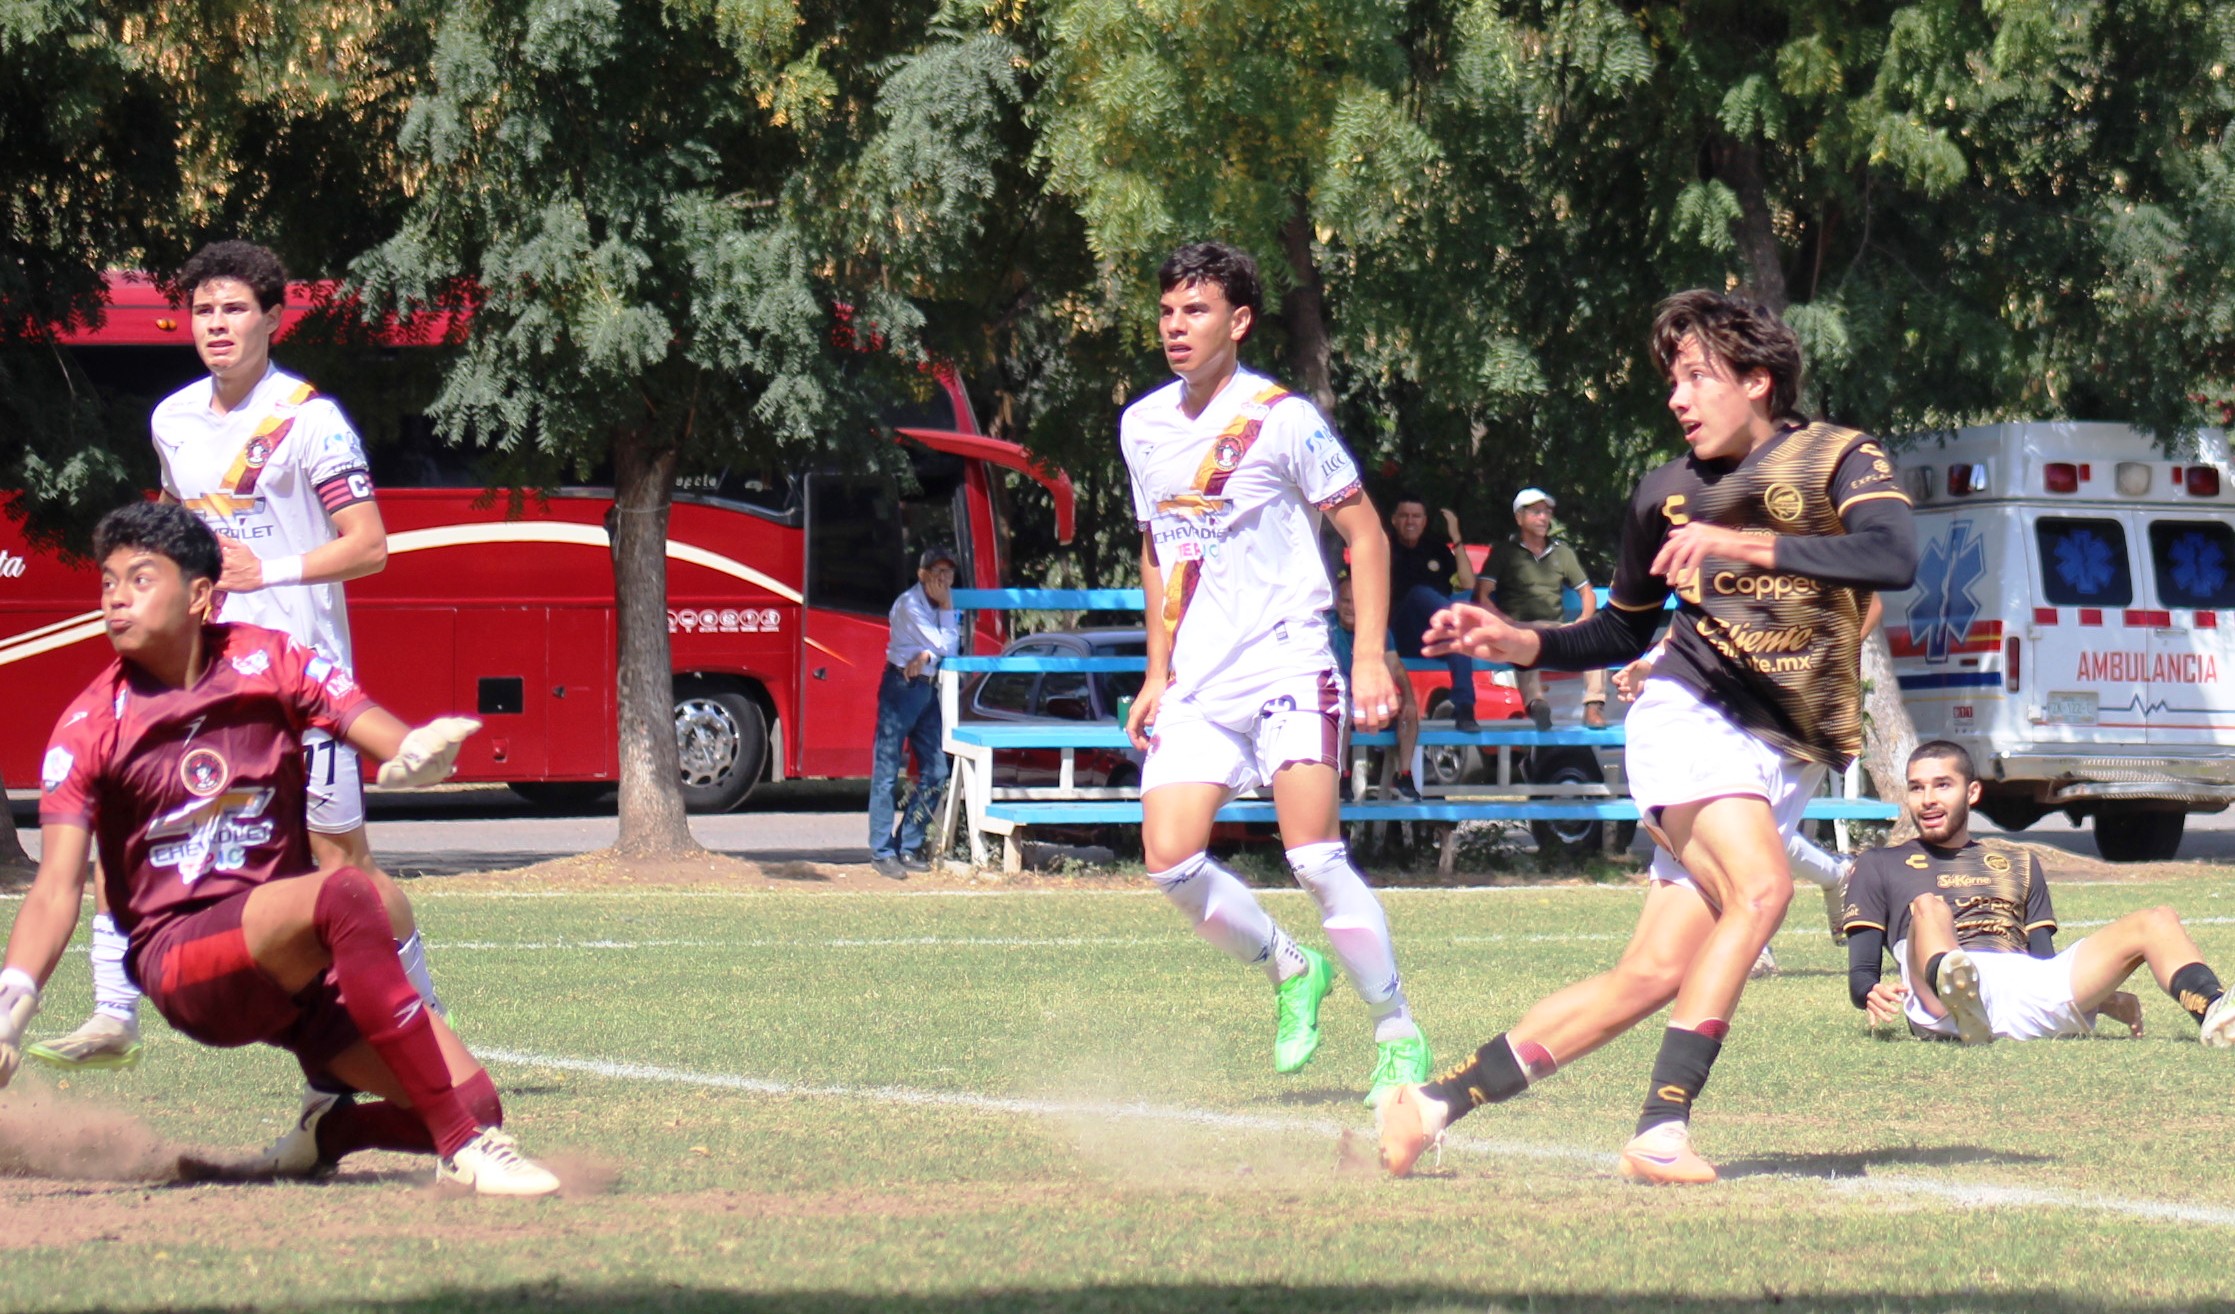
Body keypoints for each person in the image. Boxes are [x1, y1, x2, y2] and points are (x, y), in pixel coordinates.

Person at [1380, 288, 1917, 1184]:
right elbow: (1623, 630)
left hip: (1781, 756)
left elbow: (1891, 556)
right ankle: (1660, 1127)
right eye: (1672, 379)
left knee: (1651, 974)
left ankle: (1434, 1101)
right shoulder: (1664, 493)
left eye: (1697, 377)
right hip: (1689, 716)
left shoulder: (1838, 458)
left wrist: (1749, 546)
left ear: (1757, 379)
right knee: (1762, 891)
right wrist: (1527, 642)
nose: (1677, 397)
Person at [0, 503, 559, 1194]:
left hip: (291, 961)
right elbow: (57, 887)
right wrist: (12, 1007)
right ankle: (463, 1150)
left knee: (478, 1100)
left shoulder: (270, 657)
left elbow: (370, 725)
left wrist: (413, 750)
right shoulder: (90, 724)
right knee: (351, 892)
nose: (116, 596)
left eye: (140, 578)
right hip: (185, 961)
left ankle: (331, 1131)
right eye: (108, 581)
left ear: (201, 594)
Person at [29, 240, 430, 1073]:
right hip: (199, 673)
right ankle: (113, 1012)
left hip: (297, 677)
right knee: (128, 820)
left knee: (340, 863)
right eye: (204, 310)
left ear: (272, 320)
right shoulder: (171, 419)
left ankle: (421, 1010)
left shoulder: (309, 420)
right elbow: (174, 531)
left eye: (234, 309)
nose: (217, 324)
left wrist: (266, 568)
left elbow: (370, 546)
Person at [1121, 241, 1431, 1106]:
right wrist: (1156, 672)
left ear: (1239, 322)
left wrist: (1366, 655)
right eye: (1167, 311)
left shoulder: (1282, 417)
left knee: (1314, 857)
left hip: (1291, 656)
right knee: (1168, 860)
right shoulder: (1140, 425)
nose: (1176, 327)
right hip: (1197, 679)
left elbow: (1365, 536)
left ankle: (1396, 1032)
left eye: (1196, 311)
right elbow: (1155, 550)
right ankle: (1292, 968)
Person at [1845, 740, 2235, 1047]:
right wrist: (1870, 994)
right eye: (1916, 788)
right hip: (1936, 994)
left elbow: (2043, 960)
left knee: (2156, 920)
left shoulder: (2019, 862)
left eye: (1942, 785)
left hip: (2023, 987)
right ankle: (1961, 998)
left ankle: (2215, 1012)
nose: (1927, 799)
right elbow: (1862, 973)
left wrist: (2102, 996)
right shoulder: (1880, 863)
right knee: (1929, 907)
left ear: (1972, 792)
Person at [868, 546, 961, 879]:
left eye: (949, 573)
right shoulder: (911, 604)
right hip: (901, 688)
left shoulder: (941, 606)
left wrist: (925, 656)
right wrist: (933, 645)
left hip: (925, 687)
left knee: (937, 770)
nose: (944, 580)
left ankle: (908, 844)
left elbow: (944, 649)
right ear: (922, 575)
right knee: (887, 771)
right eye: (937, 572)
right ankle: (881, 851)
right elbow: (946, 644)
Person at [1480, 488, 1607, 730]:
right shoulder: (1504, 553)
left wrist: (1583, 619)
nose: (1543, 518)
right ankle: (1537, 705)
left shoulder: (1562, 552)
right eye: (1536, 512)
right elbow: (1482, 594)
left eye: (1546, 512)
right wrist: (1505, 622)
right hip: (1520, 628)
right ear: (1519, 518)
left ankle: (1593, 706)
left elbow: (1587, 592)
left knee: (1595, 636)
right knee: (1523, 642)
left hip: (1557, 628)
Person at [1387, 495, 1479, 732]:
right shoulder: (1384, 548)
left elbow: (1469, 584)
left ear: (1424, 521)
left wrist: (1456, 538)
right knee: (1419, 593)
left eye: (1416, 516)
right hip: (1401, 635)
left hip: (1437, 633)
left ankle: (1465, 709)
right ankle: (1454, 616)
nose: (1410, 521)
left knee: (1456, 640)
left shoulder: (1436, 549)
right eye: (1404, 516)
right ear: (1394, 520)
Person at [1329, 572, 1422, 801]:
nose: (1351, 608)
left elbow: (1396, 667)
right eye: (1345, 601)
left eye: (1356, 601)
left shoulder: (1377, 630)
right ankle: (1343, 778)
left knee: (1408, 710)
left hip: (1372, 702)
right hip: (1339, 704)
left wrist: (1409, 699)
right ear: (1336, 602)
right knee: (1343, 707)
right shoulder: (1325, 629)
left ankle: (1404, 776)